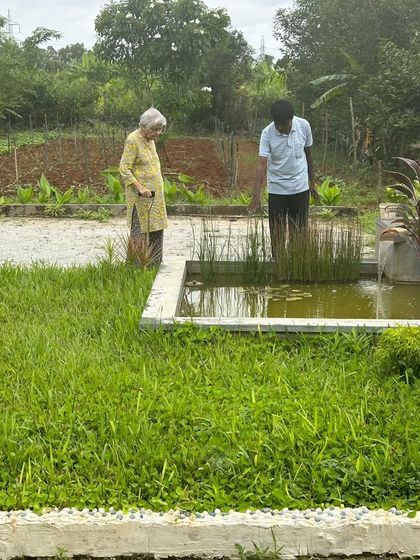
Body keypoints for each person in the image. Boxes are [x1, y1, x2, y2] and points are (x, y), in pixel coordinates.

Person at [250, 100, 316, 252]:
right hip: (277, 190)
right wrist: (256, 194)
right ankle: (278, 267)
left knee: (298, 233)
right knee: (277, 234)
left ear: (291, 119)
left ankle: (296, 267)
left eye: (284, 125)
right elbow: (262, 163)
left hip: (299, 188)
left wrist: (312, 183)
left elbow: (309, 155)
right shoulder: (267, 133)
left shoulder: (304, 126)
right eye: (277, 124)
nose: (280, 128)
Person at [119, 107, 168, 265]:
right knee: (140, 230)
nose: (158, 133)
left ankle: (154, 264)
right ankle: (136, 266)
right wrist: (140, 187)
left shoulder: (150, 140)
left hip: (156, 195)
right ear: (143, 126)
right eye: (155, 129)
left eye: (160, 129)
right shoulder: (133, 140)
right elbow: (124, 169)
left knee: (156, 228)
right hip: (141, 196)